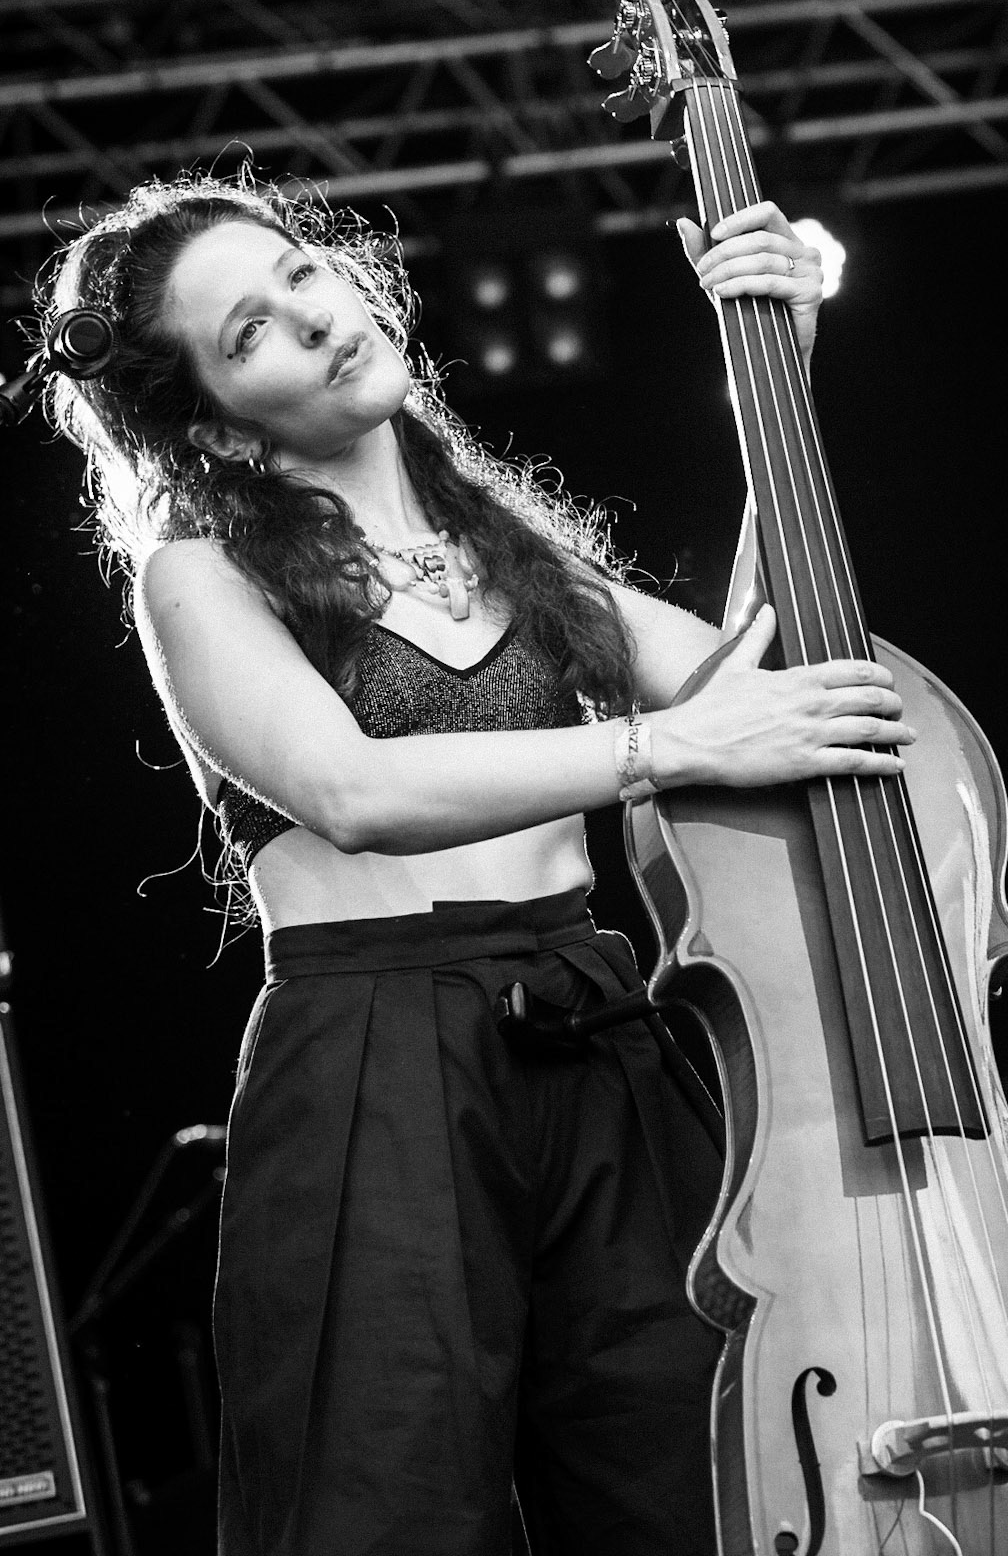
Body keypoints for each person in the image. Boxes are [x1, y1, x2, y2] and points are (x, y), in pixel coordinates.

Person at [38, 167, 913, 1556]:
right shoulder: (197, 574)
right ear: (210, 418)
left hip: (597, 1037)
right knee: (384, 1510)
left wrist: (774, 376)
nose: (313, 320)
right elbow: (355, 790)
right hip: (378, 1052)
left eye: (301, 276)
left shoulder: (512, 558)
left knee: (695, 1488)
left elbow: (761, 688)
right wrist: (657, 751)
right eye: (251, 331)